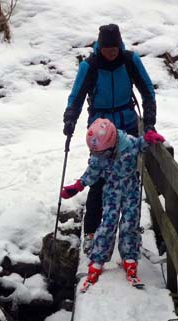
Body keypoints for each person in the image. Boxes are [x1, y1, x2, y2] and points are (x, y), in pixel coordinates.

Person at [63, 24, 159, 256]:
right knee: (98, 179)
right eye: (107, 49)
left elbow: (147, 91)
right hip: (100, 130)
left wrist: (149, 125)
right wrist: (69, 122)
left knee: (130, 179)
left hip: (126, 125)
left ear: (119, 44)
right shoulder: (90, 65)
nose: (111, 52)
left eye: (114, 48)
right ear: (100, 46)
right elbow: (76, 97)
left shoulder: (129, 60)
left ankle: (130, 232)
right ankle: (92, 233)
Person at [60, 119, 164, 290]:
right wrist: (78, 186)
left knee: (129, 224)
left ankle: (129, 257)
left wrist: (149, 137)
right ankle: (99, 257)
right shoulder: (99, 154)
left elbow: (141, 143)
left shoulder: (129, 144)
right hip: (111, 193)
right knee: (108, 224)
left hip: (131, 192)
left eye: (102, 154)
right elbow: (92, 172)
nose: (99, 158)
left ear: (113, 144)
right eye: (96, 154)